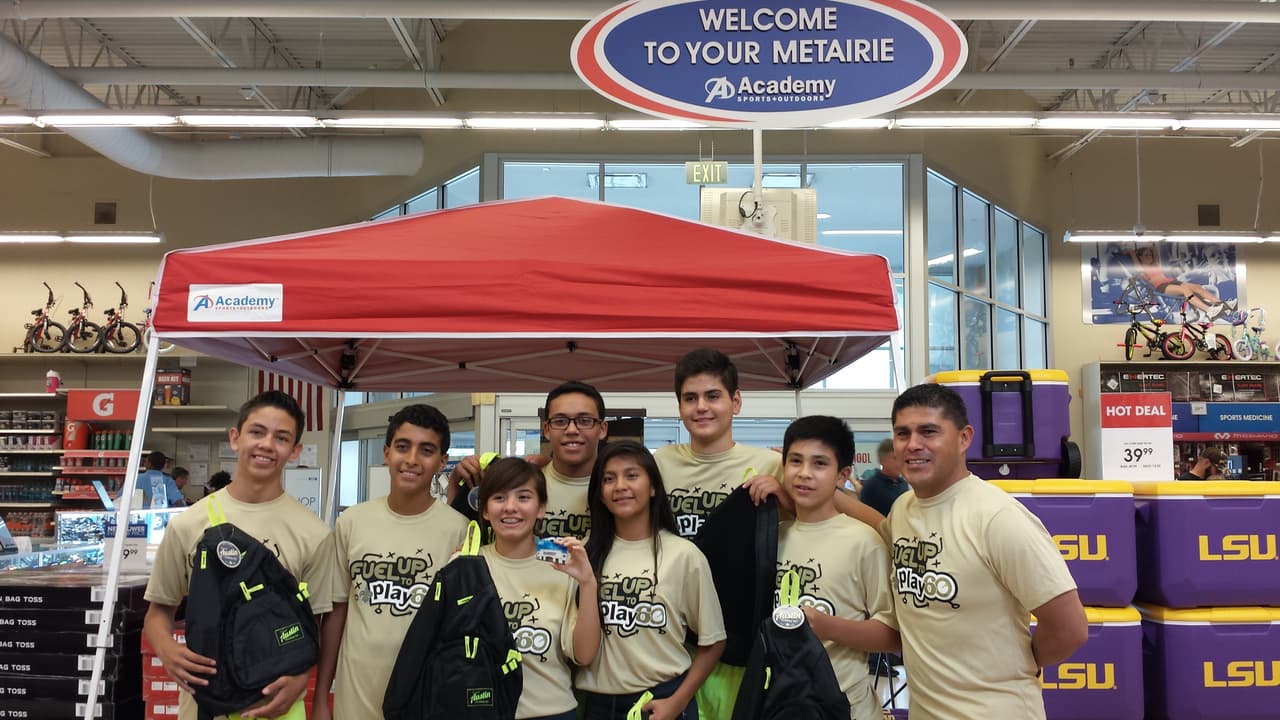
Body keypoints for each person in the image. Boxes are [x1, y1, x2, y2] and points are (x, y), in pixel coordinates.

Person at [654, 348, 881, 720]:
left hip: (741, 636)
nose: (701, 407)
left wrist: (789, 502)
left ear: (736, 401)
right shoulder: (660, 463)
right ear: (678, 405)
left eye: (713, 396)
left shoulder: (773, 465)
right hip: (678, 632)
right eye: (690, 398)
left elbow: (844, 510)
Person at [884, 384, 1087, 720]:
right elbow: (875, 529)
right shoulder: (903, 510)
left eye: (929, 431)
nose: (913, 444)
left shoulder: (998, 517)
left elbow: (1070, 628)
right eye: (902, 433)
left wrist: (1015, 667)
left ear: (964, 438)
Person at [142, 390, 334, 720]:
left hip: (276, 707)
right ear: (236, 438)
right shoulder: (188, 525)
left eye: (281, 437)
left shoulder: (314, 533)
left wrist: (303, 677)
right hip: (202, 704)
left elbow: (317, 623)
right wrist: (166, 648)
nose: (266, 445)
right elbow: (159, 609)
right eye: (257, 432)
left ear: (294, 450)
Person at [314, 404, 470, 720]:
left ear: (442, 462)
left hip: (426, 697)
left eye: (426, 450)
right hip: (356, 697)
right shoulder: (352, 522)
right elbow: (337, 612)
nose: (412, 459)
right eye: (402, 447)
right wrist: (320, 699)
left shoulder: (460, 530)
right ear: (386, 453)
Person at [578, 441, 725, 720]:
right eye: (609, 479)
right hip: (598, 706)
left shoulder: (685, 555)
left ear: (653, 487)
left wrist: (677, 703)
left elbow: (714, 642)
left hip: (663, 701)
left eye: (632, 476)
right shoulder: (585, 555)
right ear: (599, 494)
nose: (620, 486)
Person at [778, 416, 900, 719]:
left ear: (842, 475)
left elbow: (892, 635)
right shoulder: (772, 536)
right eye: (795, 461)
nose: (804, 474)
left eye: (819, 464)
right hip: (782, 704)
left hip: (847, 706)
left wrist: (826, 626)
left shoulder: (864, 542)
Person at [476, 456, 601, 720]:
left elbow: (584, 654)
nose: (510, 508)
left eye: (523, 498)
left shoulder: (561, 564)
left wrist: (588, 583)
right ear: (485, 510)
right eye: (499, 498)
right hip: (482, 710)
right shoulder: (466, 566)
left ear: (541, 507)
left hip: (552, 711)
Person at [450, 381, 608, 539]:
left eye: (585, 421)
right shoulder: (513, 483)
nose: (572, 430)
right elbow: (454, 535)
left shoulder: (618, 492)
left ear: (602, 429)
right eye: (560, 421)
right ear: (546, 429)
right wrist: (454, 484)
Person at [1128, 244, 1233, 319]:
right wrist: (1132, 251)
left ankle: (1222, 304)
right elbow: (1134, 255)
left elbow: (1154, 249)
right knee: (1185, 290)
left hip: (1171, 281)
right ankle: (1209, 311)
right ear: (1140, 257)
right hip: (1160, 287)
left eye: (1150, 254)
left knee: (1197, 287)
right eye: (1146, 255)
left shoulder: (1155, 264)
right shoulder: (1141, 269)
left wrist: (1151, 244)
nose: (1149, 256)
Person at [858, 438, 908, 517]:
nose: (898, 462)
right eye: (894, 458)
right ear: (882, 460)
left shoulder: (903, 484)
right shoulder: (872, 486)